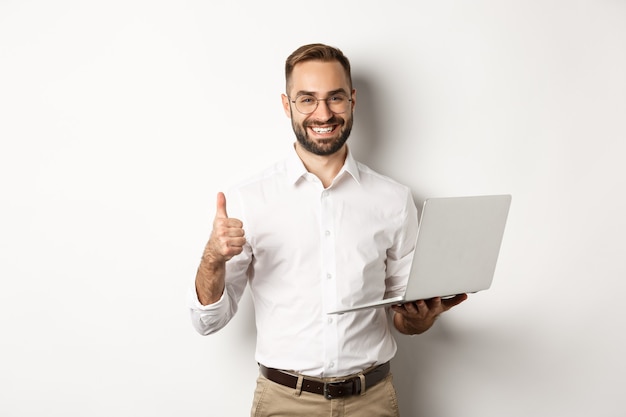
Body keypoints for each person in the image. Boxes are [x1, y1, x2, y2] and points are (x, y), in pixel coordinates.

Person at [189, 43, 467, 417]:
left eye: (335, 97)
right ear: (287, 106)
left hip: (372, 401)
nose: (323, 113)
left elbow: (403, 317)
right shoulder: (250, 200)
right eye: (307, 99)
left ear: (352, 101)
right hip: (284, 403)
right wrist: (212, 259)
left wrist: (419, 319)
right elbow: (208, 321)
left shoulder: (394, 199)